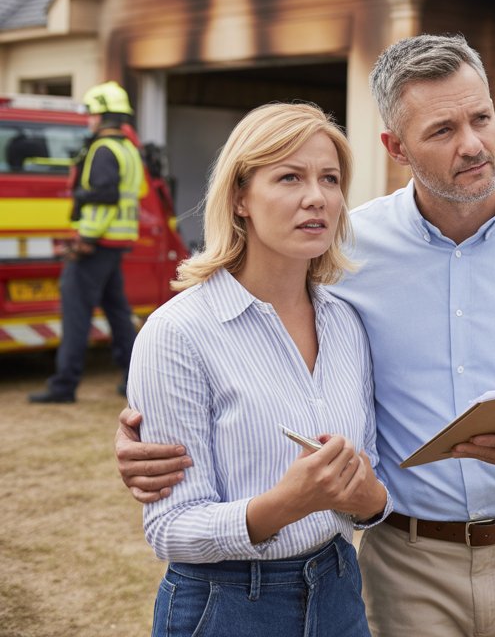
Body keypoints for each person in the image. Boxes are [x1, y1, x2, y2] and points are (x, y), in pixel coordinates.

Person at [117, 34, 495, 637]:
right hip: (405, 566)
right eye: (442, 130)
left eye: (482, 118)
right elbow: (238, 342)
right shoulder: (345, 250)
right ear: (396, 147)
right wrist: (145, 431)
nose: (473, 145)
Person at [126, 102, 390, 636]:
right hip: (228, 604)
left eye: (330, 179)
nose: (316, 197)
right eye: (289, 177)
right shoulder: (177, 332)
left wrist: (368, 498)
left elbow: (371, 482)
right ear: (240, 197)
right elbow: (169, 530)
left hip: (339, 588)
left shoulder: (346, 324)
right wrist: (282, 505)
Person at [29, 81, 146, 404]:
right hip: (116, 241)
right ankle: (132, 378)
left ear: (102, 115)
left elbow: (104, 198)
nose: (89, 120)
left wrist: (86, 238)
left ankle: (63, 386)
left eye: (91, 113)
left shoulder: (103, 149)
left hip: (97, 242)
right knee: (118, 312)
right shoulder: (128, 148)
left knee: (76, 313)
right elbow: (136, 194)